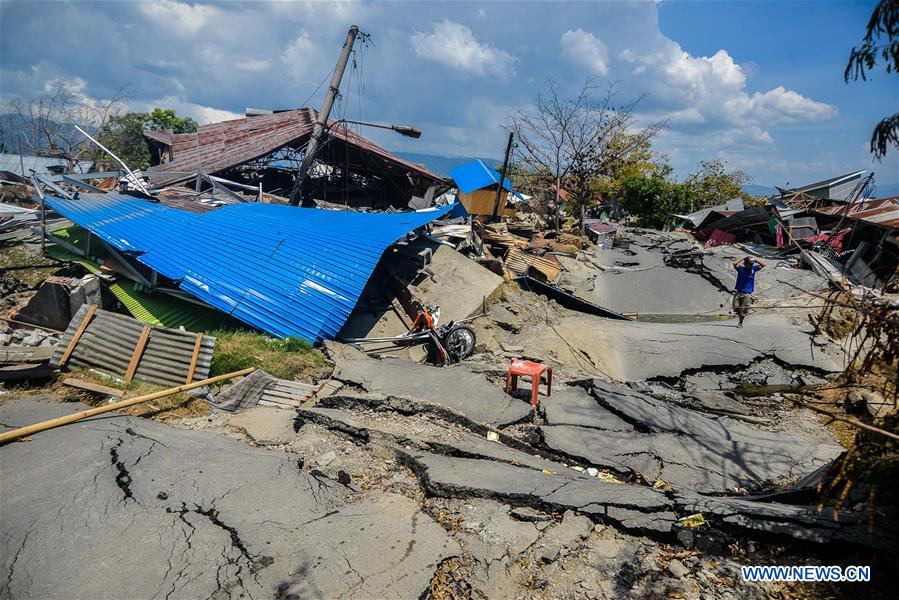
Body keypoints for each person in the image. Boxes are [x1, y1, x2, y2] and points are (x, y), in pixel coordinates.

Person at [732, 256, 766, 327]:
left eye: (752, 264)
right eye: (749, 264)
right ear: (745, 263)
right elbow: (734, 264)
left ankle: (740, 322)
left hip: (747, 293)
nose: (751, 265)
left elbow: (763, 265)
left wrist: (756, 260)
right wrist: (742, 258)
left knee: (744, 309)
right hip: (739, 291)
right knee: (736, 307)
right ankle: (739, 315)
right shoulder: (740, 269)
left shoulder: (753, 269)